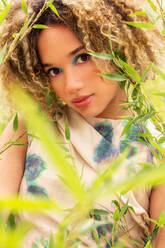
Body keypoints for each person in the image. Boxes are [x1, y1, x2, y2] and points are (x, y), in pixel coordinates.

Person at [0, 0, 165, 247]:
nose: (72, 85)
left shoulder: (156, 148)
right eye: (54, 71)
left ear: (115, 44)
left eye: (83, 57)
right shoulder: (32, 122)